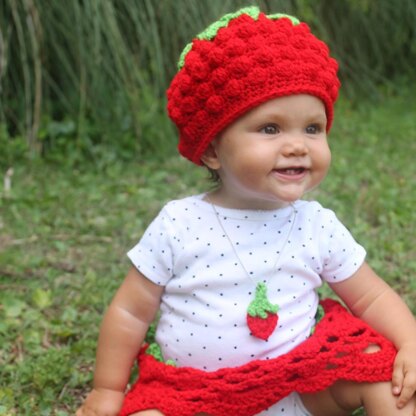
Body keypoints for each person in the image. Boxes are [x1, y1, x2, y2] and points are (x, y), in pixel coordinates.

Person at [76, 7, 416, 416]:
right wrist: (108, 389)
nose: (297, 145)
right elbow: (130, 312)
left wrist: (410, 340)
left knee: (383, 368)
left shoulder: (316, 224)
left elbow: (372, 297)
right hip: (193, 396)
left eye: (312, 128)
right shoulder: (179, 224)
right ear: (214, 150)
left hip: (301, 381)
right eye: (270, 128)